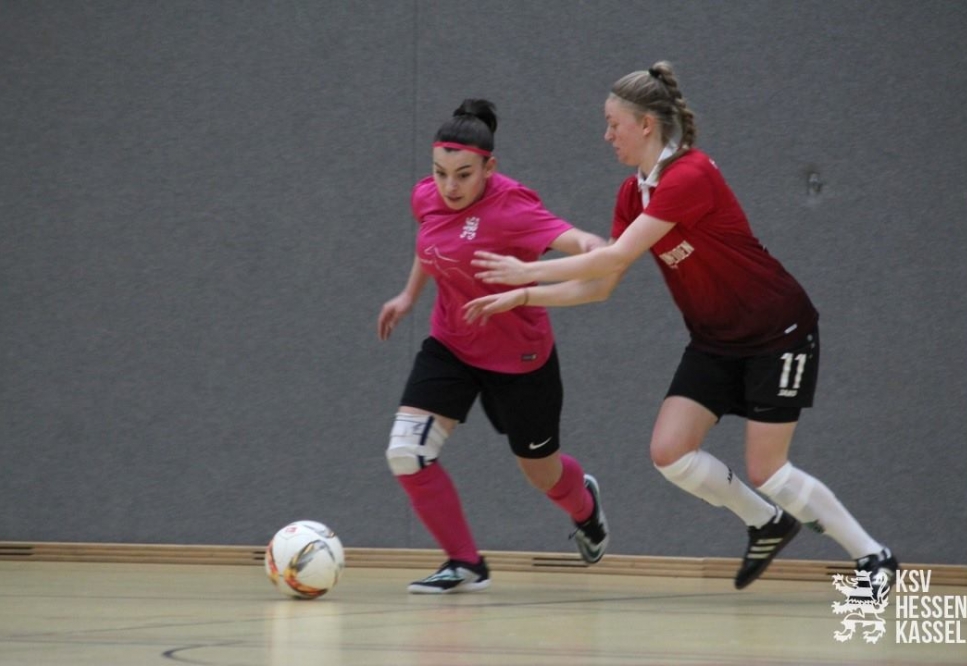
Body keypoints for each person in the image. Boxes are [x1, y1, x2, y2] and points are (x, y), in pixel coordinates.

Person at [465, 62, 899, 593]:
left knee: (767, 469)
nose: (606, 136)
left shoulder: (691, 175)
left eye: (613, 124)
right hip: (717, 340)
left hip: (777, 330)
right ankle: (766, 522)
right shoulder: (632, 194)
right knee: (669, 452)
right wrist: (524, 296)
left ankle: (874, 558)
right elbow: (602, 285)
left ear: (646, 124)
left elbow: (614, 256)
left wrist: (527, 270)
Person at [378, 99, 610, 594]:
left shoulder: (513, 209)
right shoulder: (427, 196)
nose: (450, 187)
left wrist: (592, 248)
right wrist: (408, 295)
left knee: (542, 475)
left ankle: (585, 508)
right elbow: (432, 243)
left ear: (489, 168)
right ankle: (465, 563)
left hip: (519, 359)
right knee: (406, 452)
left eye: (463, 175)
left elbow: (580, 243)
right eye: (440, 173)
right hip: (452, 342)